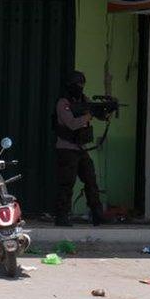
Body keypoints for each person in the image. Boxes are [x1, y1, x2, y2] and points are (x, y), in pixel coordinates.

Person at [53, 71, 105, 227]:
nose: (80, 87)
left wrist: (103, 113)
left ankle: (97, 214)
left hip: (81, 148)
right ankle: (62, 217)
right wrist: (89, 116)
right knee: (67, 183)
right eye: (78, 84)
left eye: (82, 84)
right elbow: (72, 124)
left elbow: (94, 113)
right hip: (66, 149)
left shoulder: (84, 101)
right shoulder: (63, 103)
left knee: (91, 180)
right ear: (70, 85)